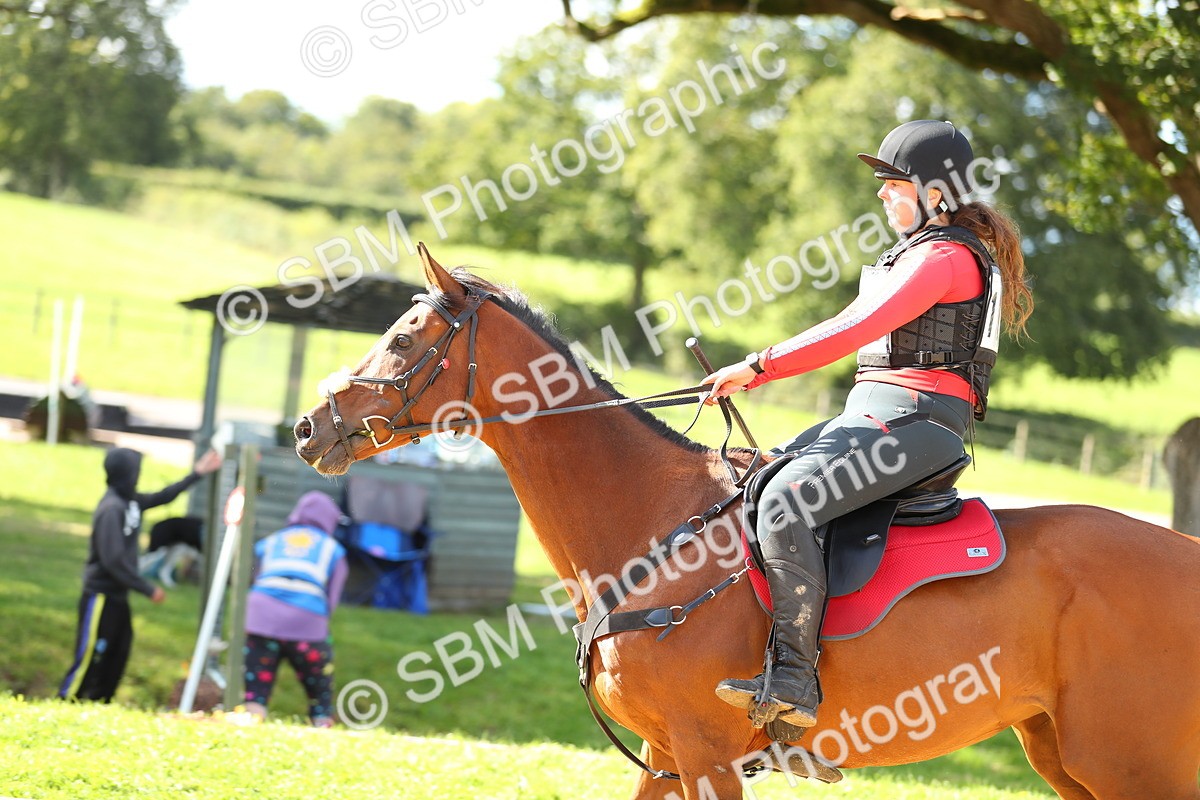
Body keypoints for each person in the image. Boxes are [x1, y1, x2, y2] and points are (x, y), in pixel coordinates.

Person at [702, 120, 1034, 729]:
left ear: (935, 193)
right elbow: (852, 319)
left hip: (918, 423)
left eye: (893, 181)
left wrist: (758, 366)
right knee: (752, 480)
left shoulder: (946, 258)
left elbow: (853, 331)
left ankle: (796, 682)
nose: (882, 192)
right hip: (874, 418)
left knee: (786, 503)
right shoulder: (909, 254)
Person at [58, 446, 222, 702]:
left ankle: (100, 700)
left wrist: (198, 473)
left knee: (119, 649)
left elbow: (165, 496)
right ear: (125, 474)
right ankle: (67, 698)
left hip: (117, 597)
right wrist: (146, 587)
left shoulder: (130, 502)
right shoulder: (112, 508)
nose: (138, 476)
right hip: (100, 595)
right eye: (136, 472)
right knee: (92, 651)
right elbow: (112, 560)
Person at [242, 490, 347, 727]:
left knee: (257, 679)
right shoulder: (333, 549)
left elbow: (256, 578)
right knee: (318, 680)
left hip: (261, 618)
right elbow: (332, 597)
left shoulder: (272, 540)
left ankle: (252, 716)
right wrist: (318, 621)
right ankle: (321, 721)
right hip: (306, 622)